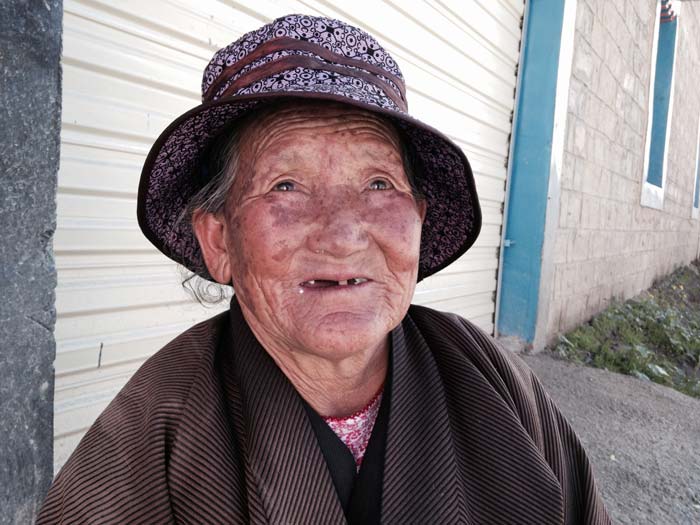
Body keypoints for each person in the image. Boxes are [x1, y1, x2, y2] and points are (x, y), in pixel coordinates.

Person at [38, 13, 610, 525]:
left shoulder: (487, 375)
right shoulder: (151, 437)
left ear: (417, 218)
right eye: (286, 186)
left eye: (379, 184)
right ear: (218, 240)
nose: (342, 236)